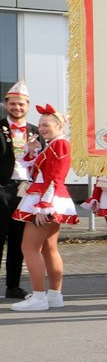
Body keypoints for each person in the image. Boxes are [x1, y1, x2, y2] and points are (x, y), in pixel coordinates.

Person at [8, 106, 76, 312]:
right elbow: (35, 170)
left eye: (46, 125)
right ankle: (54, 295)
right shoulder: (53, 145)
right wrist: (32, 150)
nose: (41, 128)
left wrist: (43, 206)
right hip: (46, 196)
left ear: (59, 126)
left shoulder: (60, 145)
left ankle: (39, 297)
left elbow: (54, 176)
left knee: (29, 248)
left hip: (46, 198)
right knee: (48, 248)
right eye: (39, 125)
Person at [0, 82, 31, 299]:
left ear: (27, 106)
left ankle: (13, 286)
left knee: (18, 239)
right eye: (13, 103)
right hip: (3, 187)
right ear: (5, 105)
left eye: (21, 104)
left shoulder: (37, 131)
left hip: (27, 190)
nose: (17, 107)